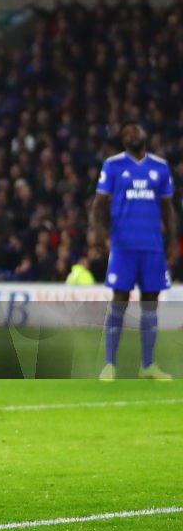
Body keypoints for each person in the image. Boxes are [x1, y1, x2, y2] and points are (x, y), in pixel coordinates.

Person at [91, 121, 176, 380]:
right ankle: (109, 364)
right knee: (119, 300)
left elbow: (168, 209)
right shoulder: (113, 165)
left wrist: (171, 242)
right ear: (123, 140)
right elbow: (99, 204)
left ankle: (147, 365)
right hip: (124, 246)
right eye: (126, 132)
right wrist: (101, 233)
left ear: (144, 134)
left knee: (150, 303)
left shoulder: (160, 167)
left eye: (135, 130)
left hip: (152, 246)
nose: (131, 134)